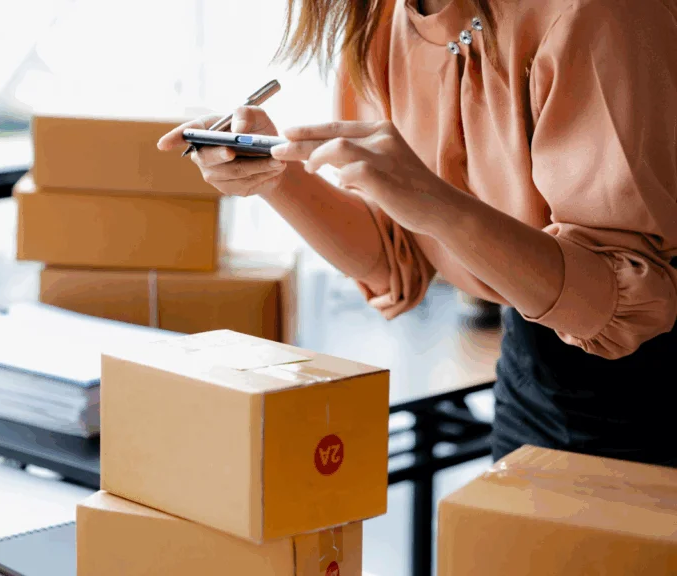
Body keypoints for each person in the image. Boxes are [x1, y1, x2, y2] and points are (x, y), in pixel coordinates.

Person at [158, 0, 677, 467]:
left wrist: (438, 208)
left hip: (652, 388)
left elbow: (623, 298)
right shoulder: (381, 18)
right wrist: (274, 174)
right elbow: (396, 254)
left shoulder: (595, 13)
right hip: (532, 372)